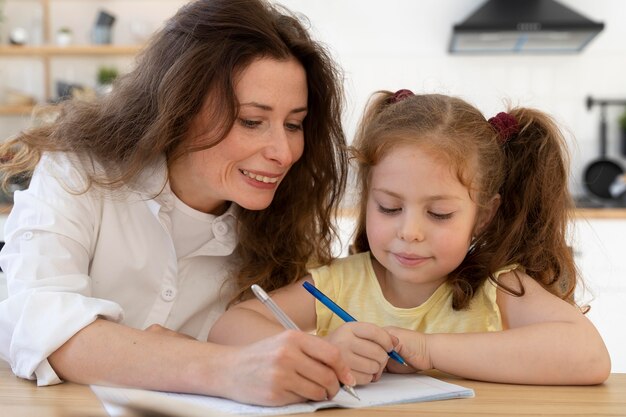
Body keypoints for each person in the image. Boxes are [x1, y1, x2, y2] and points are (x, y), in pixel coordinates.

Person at [0, 0, 358, 407]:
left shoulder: (283, 217)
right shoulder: (78, 172)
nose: (284, 151)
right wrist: (225, 368)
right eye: (252, 121)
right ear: (180, 107)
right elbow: (38, 322)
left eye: (294, 125)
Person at [209, 90, 611, 386]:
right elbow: (229, 328)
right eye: (388, 207)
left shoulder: (499, 288)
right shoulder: (338, 283)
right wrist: (328, 349)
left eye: (439, 214)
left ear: (483, 216)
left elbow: (590, 356)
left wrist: (428, 350)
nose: (410, 232)